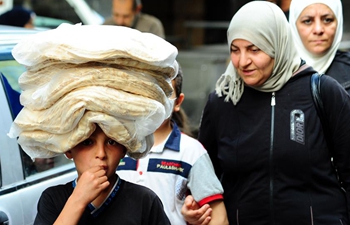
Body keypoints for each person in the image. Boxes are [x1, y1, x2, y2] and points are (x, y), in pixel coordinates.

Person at [181, 1, 350, 224]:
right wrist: (194, 206)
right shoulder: (222, 102)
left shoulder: (322, 92)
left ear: (277, 45)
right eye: (235, 50)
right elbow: (204, 178)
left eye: (254, 49)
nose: (243, 61)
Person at [8, 23, 179, 224]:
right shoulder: (54, 200)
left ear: (125, 147)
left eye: (112, 142)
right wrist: (78, 199)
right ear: (68, 148)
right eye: (87, 142)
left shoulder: (144, 202)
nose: (101, 153)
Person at [116, 66, 229, 225]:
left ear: (178, 102)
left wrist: (195, 217)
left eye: (165, 92)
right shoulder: (115, 145)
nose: (156, 99)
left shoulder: (191, 152)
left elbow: (219, 217)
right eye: (149, 90)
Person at [289, 0, 350, 93]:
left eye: (327, 20)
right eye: (307, 21)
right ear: (294, 25)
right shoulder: (278, 74)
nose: (318, 30)